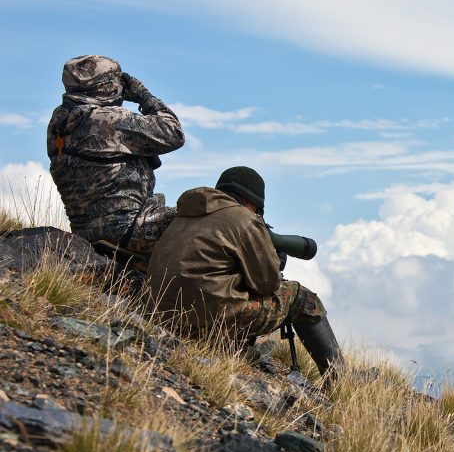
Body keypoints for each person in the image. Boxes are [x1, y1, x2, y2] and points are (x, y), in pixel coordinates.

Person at [147, 166, 343, 381]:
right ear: (250, 201)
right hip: (206, 322)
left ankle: (231, 346)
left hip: (160, 317)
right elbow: (267, 285)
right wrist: (273, 260)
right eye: (257, 209)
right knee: (302, 297)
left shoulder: (182, 216)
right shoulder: (243, 219)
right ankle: (340, 380)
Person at [46, 55, 184, 256]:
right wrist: (143, 95)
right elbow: (174, 133)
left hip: (86, 235)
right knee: (212, 211)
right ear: (106, 85)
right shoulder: (108, 119)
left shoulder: (58, 123)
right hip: (132, 230)